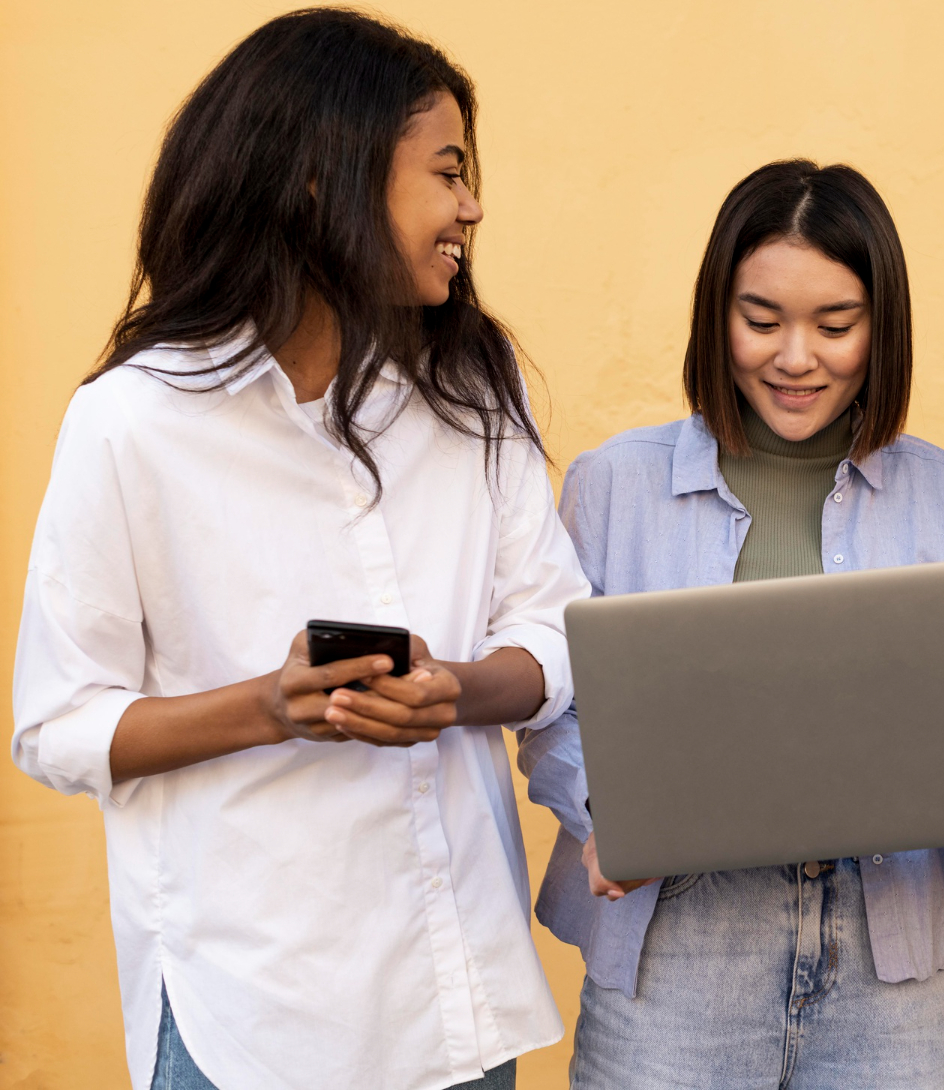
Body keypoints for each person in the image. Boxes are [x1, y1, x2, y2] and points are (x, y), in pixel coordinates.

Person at [11, 10, 591, 1090]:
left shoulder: (471, 390)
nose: (472, 205)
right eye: (448, 170)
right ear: (326, 177)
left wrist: (454, 689)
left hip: (454, 1007)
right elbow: (55, 723)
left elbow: (553, 633)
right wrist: (271, 706)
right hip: (249, 1020)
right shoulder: (133, 422)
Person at [517, 159, 944, 1089]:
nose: (796, 358)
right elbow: (555, 703)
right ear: (715, 315)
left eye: (836, 326)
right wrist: (606, 815)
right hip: (674, 946)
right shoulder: (613, 486)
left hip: (891, 959)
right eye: (761, 321)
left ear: (882, 330)